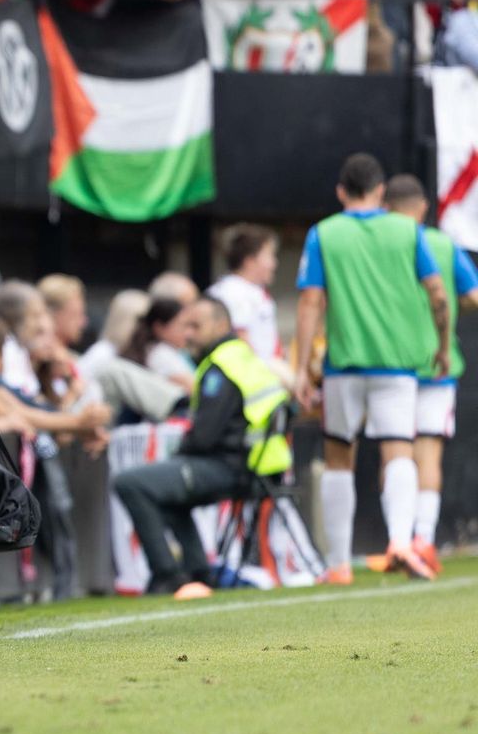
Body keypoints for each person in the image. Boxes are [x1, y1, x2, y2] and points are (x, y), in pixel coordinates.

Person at [293, 153, 448, 583]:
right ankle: (400, 542)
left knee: (339, 454)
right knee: (398, 449)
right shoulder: (407, 230)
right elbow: (437, 292)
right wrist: (442, 345)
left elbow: (309, 302)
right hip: (396, 365)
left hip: (344, 365)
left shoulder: (323, 233)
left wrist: (303, 367)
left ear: (341, 192)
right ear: (381, 192)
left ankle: (338, 564)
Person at [112, 296, 292, 598]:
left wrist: (178, 456)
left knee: (130, 482)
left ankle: (167, 575)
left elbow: (204, 437)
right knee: (164, 490)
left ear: (221, 324)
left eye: (196, 326)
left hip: (232, 468)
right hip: (261, 468)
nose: (189, 334)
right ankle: (198, 572)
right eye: (187, 326)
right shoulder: (243, 357)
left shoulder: (221, 366)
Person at [382, 174, 477, 574]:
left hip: (389, 363)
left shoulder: (380, 245)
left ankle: (397, 540)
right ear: (423, 207)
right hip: (438, 365)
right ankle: (423, 539)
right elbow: (472, 296)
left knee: (395, 451)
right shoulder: (442, 244)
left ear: (386, 207)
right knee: (429, 451)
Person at [208, 223, 284, 366]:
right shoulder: (233, 292)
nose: (275, 263)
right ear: (249, 261)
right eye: (269, 256)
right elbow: (241, 341)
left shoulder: (251, 290)